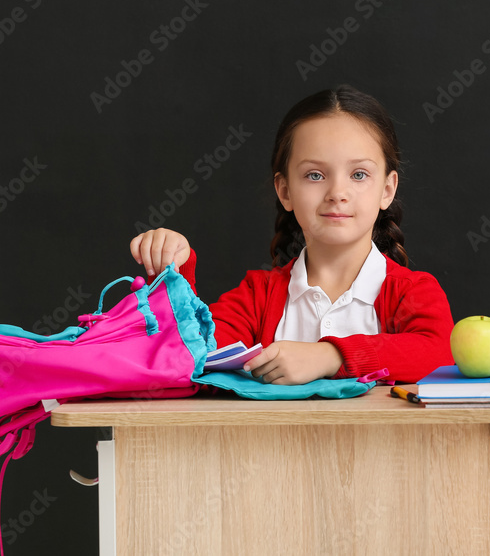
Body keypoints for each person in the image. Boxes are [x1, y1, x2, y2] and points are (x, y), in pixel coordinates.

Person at [128, 85, 455, 385]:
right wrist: (175, 274)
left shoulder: (413, 293)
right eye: (315, 175)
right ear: (285, 191)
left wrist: (331, 356)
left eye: (359, 174)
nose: (337, 192)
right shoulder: (256, 298)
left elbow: (439, 353)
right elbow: (193, 356)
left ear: (387, 189)